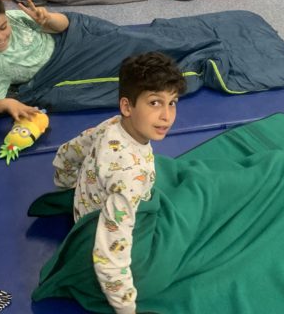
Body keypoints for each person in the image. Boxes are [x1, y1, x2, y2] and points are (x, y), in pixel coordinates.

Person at [52, 51, 187, 314]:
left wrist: (65, 184)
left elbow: (69, 151)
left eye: (172, 103)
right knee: (181, 238)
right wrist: (126, 308)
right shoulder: (129, 177)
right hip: (104, 231)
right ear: (127, 106)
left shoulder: (112, 125)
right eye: (155, 103)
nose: (167, 116)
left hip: (89, 210)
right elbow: (109, 253)